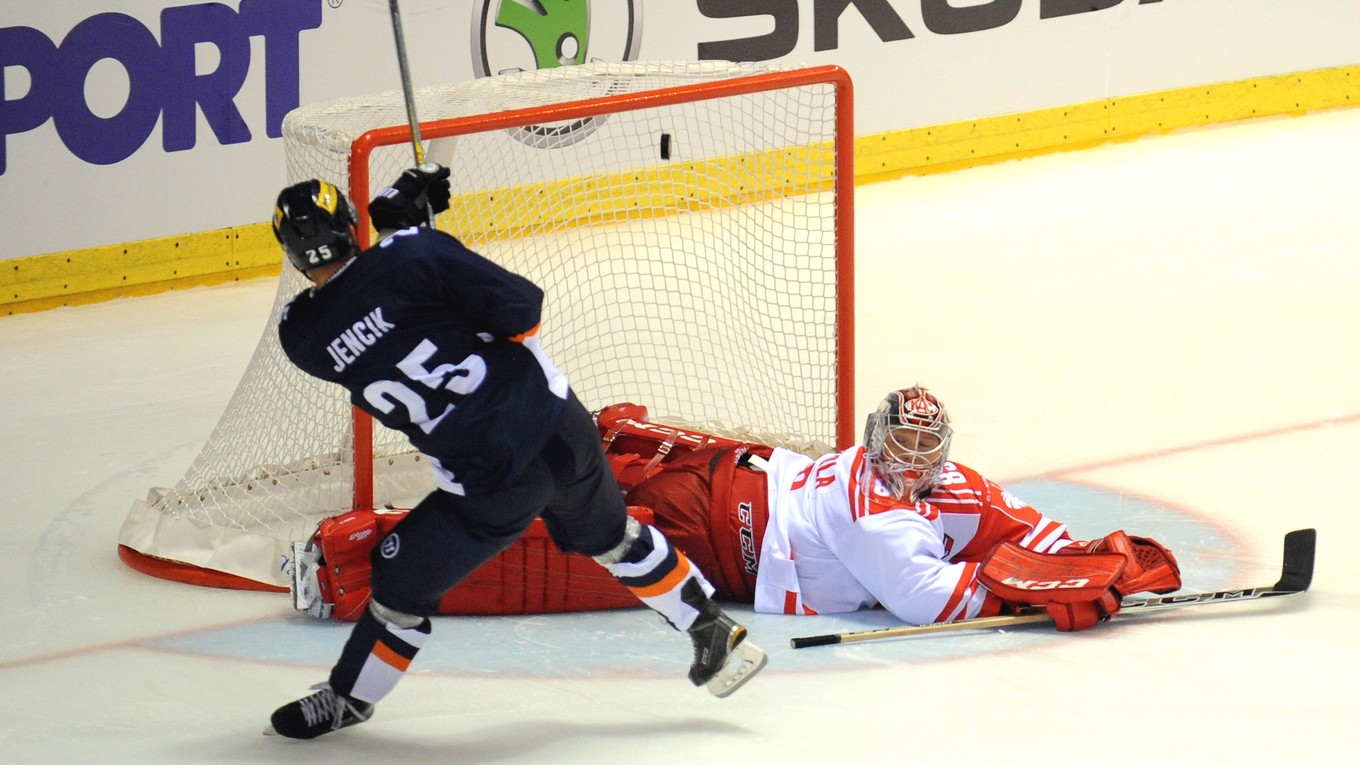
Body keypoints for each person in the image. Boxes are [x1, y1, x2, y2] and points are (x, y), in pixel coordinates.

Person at [265, 165, 766, 740]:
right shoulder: (413, 253)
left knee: (399, 579)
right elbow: (520, 310)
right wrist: (421, 237)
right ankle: (710, 631)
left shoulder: (300, 337)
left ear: (295, 256)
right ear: (351, 225)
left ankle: (350, 699)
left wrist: (409, 241)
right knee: (612, 537)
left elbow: (369, 304)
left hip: (491, 482)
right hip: (561, 432)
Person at [612, 386, 1183, 630]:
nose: (913, 460)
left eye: (926, 446)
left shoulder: (948, 481)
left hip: (730, 476)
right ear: (875, 437)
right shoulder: (872, 514)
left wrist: (1074, 554)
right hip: (707, 534)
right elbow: (924, 599)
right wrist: (1039, 593)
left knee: (612, 471)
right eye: (901, 443)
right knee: (584, 529)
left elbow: (1012, 520)